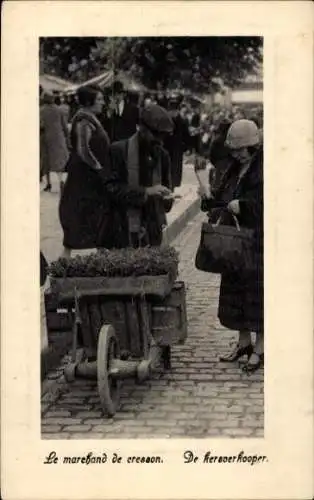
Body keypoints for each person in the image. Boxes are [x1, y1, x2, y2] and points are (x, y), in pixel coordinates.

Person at [200, 119, 264, 373]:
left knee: (256, 295)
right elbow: (222, 198)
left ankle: (261, 348)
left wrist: (244, 206)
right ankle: (244, 343)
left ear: (253, 146)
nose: (236, 154)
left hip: (257, 241)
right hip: (235, 242)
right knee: (236, 293)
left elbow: (269, 204)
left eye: (241, 149)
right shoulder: (233, 168)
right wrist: (208, 199)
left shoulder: (264, 169)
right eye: (234, 149)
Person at [101, 104, 174, 249]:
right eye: (155, 134)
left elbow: (166, 200)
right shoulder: (118, 151)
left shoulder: (163, 156)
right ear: (141, 128)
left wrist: (167, 198)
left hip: (152, 231)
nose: (160, 141)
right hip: (123, 228)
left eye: (162, 136)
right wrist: (146, 192)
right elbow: (110, 189)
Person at [59, 85, 111, 258]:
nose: (103, 103)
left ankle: (101, 254)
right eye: (99, 99)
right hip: (85, 176)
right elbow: (83, 150)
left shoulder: (90, 118)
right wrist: (99, 169)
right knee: (83, 213)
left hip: (89, 176)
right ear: (89, 102)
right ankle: (67, 261)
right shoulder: (83, 121)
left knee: (94, 215)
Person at [40, 92, 70, 193]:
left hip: (46, 138)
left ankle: (48, 184)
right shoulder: (59, 110)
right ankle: (61, 181)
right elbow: (64, 126)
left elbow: (40, 125)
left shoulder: (41, 111)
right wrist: (67, 137)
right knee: (59, 161)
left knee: (46, 160)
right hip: (58, 137)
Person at [163, 96, 189, 189]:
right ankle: (171, 186)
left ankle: (170, 186)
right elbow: (187, 136)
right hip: (175, 149)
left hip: (168, 149)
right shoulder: (182, 120)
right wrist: (185, 147)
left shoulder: (166, 119)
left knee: (169, 170)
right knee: (174, 171)